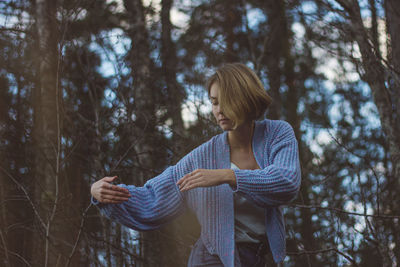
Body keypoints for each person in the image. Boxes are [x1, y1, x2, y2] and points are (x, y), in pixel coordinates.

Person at [91, 63, 301, 267]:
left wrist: (228, 175)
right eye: (214, 102)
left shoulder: (277, 133)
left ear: (245, 98)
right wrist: (101, 192)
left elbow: (286, 182)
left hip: (258, 258)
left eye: (225, 101)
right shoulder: (202, 158)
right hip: (212, 258)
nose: (219, 110)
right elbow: (153, 198)